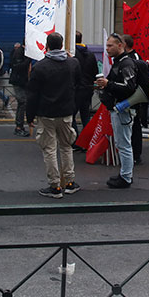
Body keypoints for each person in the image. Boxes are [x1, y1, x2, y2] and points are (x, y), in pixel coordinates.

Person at [27, 32, 82, 198]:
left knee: (49, 149)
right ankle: (70, 182)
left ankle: (55, 185)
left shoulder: (40, 67)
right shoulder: (73, 63)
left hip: (46, 113)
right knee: (66, 147)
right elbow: (78, 84)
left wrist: (29, 116)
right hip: (66, 111)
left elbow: (32, 95)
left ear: (47, 45)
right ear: (62, 44)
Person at [96, 33, 138, 189]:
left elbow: (129, 87)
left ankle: (126, 177)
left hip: (122, 109)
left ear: (120, 45)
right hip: (119, 108)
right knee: (122, 143)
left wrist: (108, 84)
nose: (107, 49)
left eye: (110, 46)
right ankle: (125, 173)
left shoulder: (125, 64)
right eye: (107, 46)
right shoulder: (120, 62)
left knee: (124, 144)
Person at [122, 34, 145, 165]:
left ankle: (136, 154)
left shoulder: (134, 58)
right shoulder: (127, 58)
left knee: (135, 125)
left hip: (134, 97)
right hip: (129, 96)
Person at [73, 32, 99, 136]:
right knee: (86, 115)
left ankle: (75, 140)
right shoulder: (90, 54)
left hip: (76, 88)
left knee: (71, 116)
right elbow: (95, 72)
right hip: (88, 88)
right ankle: (87, 140)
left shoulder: (72, 54)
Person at [9, 42, 30, 137]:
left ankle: (20, 125)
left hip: (23, 81)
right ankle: (19, 126)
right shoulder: (19, 52)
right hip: (18, 81)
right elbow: (17, 66)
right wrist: (28, 60)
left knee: (23, 103)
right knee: (22, 102)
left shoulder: (26, 52)